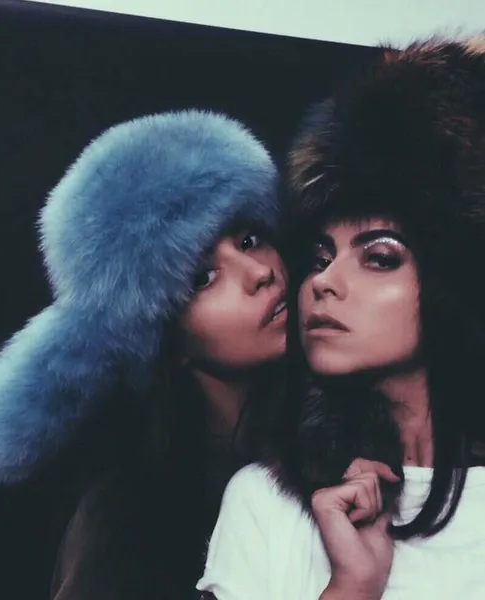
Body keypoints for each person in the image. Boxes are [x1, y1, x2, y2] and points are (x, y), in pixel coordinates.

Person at [197, 36, 485, 600]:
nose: (322, 281)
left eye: (378, 257)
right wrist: (352, 585)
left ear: (455, 284)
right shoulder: (266, 503)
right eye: (319, 256)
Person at [0, 110, 288, 599]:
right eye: (203, 278)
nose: (259, 272)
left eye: (249, 239)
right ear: (161, 336)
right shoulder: (128, 520)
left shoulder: (347, 451)